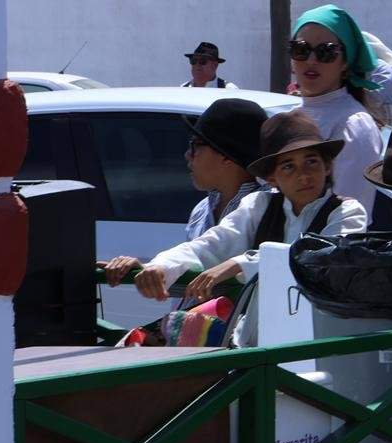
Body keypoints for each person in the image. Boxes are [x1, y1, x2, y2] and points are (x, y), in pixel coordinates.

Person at [124, 110, 368, 303]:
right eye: (288, 167)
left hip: (316, 334)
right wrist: (161, 265)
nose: (303, 176)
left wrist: (240, 263)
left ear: (327, 167)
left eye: (312, 162)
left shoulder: (347, 211)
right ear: (272, 178)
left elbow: (319, 257)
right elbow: (211, 244)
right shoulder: (259, 205)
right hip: (258, 333)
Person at [99, 97, 268, 285]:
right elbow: (193, 265)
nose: (187, 154)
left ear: (226, 155)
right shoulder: (202, 208)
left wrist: (159, 268)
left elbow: (207, 251)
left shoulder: (266, 210)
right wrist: (149, 270)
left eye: (195, 145)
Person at [287, 6, 384, 218]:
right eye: (301, 49)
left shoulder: (355, 125)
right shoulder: (289, 116)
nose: (311, 60)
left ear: (345, 62)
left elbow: (348, 214)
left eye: (326, 52)